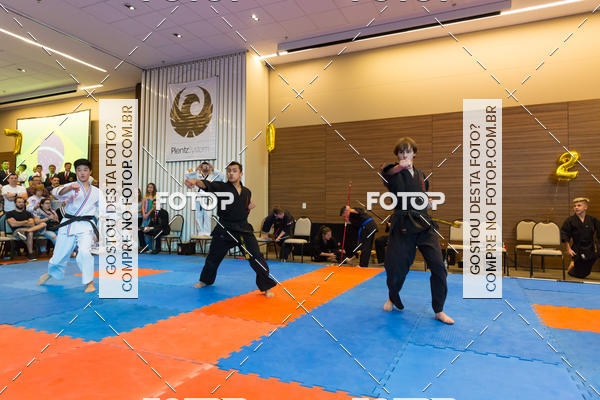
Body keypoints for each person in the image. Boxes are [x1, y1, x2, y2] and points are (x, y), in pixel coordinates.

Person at [380, 137, 454, 324]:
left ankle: (439, 310)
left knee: (438, 267)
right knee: (395, 267)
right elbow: (386, 172)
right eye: (401, 152)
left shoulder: (421, 175)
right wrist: (399, 168)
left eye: (408, 151)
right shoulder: (393, 172)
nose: (404, 155)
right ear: (397, 155)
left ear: (414, 153)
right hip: (402, 225)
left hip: (423, 224)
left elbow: (422, 194)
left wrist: (426, 201)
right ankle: (392, 297)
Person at [185, 161, 276, 297]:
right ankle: (205, 280)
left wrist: (248, 208)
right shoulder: (221, 187)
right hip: (225, 228)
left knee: (256, 257)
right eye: (228, 171)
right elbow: (206, 184)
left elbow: (243, 208)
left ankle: (266, 287)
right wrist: (194, 181)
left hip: (243, 229)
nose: (230, 173)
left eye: (234, 171)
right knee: (213, 257)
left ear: (241, 173)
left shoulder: (247, 192)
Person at [38, 159, 99, 293]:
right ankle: (50, 273)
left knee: (85, 252)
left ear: (90, 172)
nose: (82, 173)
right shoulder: (70, 186)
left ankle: (89, 282)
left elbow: (103, 212)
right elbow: (55, 192)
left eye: (85, 170)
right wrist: (70, 188)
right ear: (75, 172)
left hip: (86, 225)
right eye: (79, 170)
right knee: (59, 254)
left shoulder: (97, 192)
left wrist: (97, 232)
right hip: (68, 224)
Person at [561, 197, 600, 279]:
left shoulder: (592, 220)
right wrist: (568, 249)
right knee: (580, 275)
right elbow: (564, 233)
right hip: (577, 249)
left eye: (579, 205)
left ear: (585, 207)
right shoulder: (570, 220)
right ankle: (573, 264)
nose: (576, 207)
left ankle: (575, 264)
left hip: (590, 248)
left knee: (587, 269)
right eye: (575, 206)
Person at [186, 161, 226, 236]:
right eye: (203, 166)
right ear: (201, 167)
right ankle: (200, 232)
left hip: (208, 197)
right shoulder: (196, 175)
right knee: (198, 216)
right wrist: (196, 168)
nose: (205, 168)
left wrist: (213, 169)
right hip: (198, 197)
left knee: (208, 215)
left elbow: (222, 176)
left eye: (207, 166)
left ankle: (207, 233)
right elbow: (187, 175)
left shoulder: (213, 176)